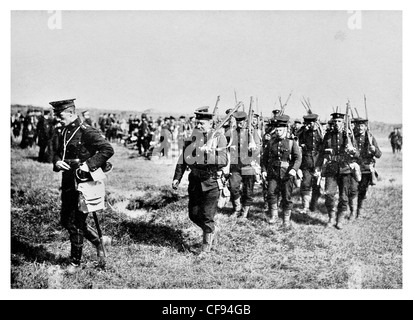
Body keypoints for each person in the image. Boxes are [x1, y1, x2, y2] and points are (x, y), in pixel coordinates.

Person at [50, 98, 114, 270]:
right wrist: (57, 162)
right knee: (65, 220)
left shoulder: (86, 130)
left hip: (84, 182)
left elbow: (107, 149)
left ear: (71, 113)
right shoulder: (63, 131)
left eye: (60, 114)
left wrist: (90, 164)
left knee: (75, 221)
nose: (57, 118)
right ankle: (99, 242)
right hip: (68, 180)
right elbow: (57, 152)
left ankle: (75, 262)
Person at [172, 108, 228, 254]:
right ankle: (212, 230)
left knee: (207, 216)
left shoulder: (218, 138)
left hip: (211, 182)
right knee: (193, 214)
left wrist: (206, 155)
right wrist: (177, 178)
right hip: (195, 182)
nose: (198, 126)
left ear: (211, 124)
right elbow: (182, 159)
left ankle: (205, 249)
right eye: (197, 123)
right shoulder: (192, 138)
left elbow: (223, 160)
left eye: (202, 123)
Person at [315, 112, 360, 230]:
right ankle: (331, 217)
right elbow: (321, 152)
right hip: (331, 169)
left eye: (339, 121)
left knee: (344, 197)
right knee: (329, 194)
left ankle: (340, 219)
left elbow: (357, 154)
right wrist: (318, 166)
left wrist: (352, 150)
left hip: (345, 169)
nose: (337, 123)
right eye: (335, 121)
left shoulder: (349, 136)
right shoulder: (328, 135)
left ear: (343, 123)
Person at [261, 115, 302, 229]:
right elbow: (264, 158)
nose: (278, 132)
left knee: (286, 197)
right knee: (271, 193)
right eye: (277, 130)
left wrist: (294, 169)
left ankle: (286, 220)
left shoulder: (291, 142)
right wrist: (264, 170)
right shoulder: (271, 142)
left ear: (285, 130)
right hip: (273, 173)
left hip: (287, 174)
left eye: (280, 130)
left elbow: (298, 158)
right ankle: (274, 216)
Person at [227, 111, 261, 219]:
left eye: (242, 122)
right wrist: (230, 148)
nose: (240, 124)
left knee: (248, 189)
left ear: (246, 121)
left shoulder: (252, 132)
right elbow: (226, 146)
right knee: (233, 186)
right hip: (236, 164)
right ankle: (237, 208)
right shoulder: (232, 133)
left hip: (248, 164)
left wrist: (253, 148)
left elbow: (258, 149)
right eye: (238, 122)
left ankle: (245, 212)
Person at [353, 118, 382, 219]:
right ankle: (353, 211)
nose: (359, 128)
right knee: (352, 190)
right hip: (354, 168)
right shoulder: (352, 137)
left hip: (366, 169)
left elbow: (379, 154)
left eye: (362, 126)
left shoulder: (370, 138)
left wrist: (374, 150)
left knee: (362, 190)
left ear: (365, 127)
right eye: (358, 126)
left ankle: (359, 212)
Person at [297, 114, 324, 214]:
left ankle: (314, 205)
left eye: (311, 123)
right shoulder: (303, 132)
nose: (310, 125)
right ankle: (305, 206)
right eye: (308, 123)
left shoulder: (320, 133)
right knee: (305, 184)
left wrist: (321, 164)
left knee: (316, 185)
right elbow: (296, 137)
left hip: (317, 161)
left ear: (315, 122)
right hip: (306, 161)